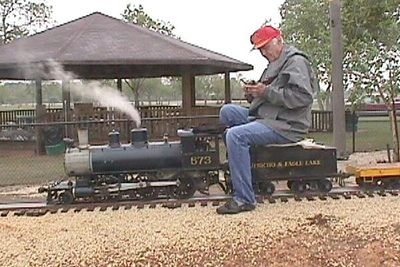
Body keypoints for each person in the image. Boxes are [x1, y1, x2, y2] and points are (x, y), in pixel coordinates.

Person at [216, 25, 318, 215]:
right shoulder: (275, 62)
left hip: (287, 125)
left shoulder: (296, 62)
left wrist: (266, 92)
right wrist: (254, 94)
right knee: (227, 111)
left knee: (235, 136)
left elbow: (303, 97)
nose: (263, 53)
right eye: (260, 49)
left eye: (265, 47)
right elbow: (269, 94)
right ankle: (245, 166)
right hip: (268, 116)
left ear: (279, 40)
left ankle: (244, 198)